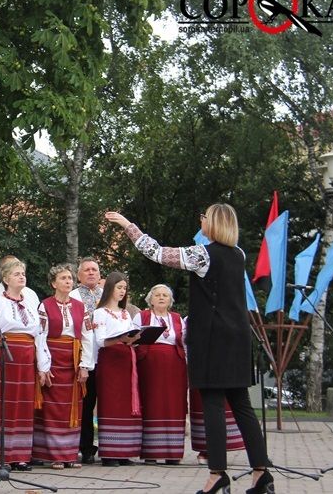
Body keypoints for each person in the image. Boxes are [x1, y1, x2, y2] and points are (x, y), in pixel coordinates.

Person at [106, 205, 273, 494]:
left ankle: (217, 474)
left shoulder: (202, 254)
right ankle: (261, 473)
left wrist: (126, 224)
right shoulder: (240, 254)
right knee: (242, 405)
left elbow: (155, 252)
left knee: (212, 403)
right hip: (238, 336)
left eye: (204, 217)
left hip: (213, 338)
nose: (201, 220)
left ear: (215, 223)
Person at [0, 258, 48, 471]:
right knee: (4, 405)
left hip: (26, 357)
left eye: (23, 273)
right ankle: (1, 455)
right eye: (16, 273)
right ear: (6, 278)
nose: (21, 276)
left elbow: (41, 335)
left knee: (24, 405)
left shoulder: (31, 302)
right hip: (4, 355)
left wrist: (43, 366)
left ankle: (21, 455)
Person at [33, 263, 95, 470]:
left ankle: (69, 455)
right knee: (53, 409)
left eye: (70, 278)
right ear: (53, 283)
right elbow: (40, 337)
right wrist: (43, 366)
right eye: (63, 278)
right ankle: (54, 456)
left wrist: (85, 365)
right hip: (52, 358)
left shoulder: (80, 307)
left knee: (73, 407)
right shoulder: (45, 306)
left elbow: (87, 336)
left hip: (73, 361)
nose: (68, 281)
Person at [91, 272, 142, 466]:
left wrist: (134, 338)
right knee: (111, 403)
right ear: (110, 288)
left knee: (125, 405)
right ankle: (109, 453)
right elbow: (100, 340)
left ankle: (124, 451)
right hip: (110, 362)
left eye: (124, 288)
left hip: (126, 360)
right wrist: (120, 339)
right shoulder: (100, 313)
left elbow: (128, 335)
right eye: (119, 287)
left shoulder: (126, 313)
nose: (122, 291)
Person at [134, 284, 187, 464]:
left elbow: (185, 342)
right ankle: (151, 452)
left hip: (174, 367)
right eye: (157, 295)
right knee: (152, 404)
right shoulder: (141, 316)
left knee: (174, 405)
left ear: (170, 300)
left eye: (165, 295)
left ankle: (173, 453)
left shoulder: (178, 318)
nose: (162, 298)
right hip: (150, 366)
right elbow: (133, 339)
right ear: (151, 299)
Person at [69, 257, 102, 464]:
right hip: (84, 356)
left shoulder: (106, 294)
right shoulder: (73, 296)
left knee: (106, 403)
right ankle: (85, 447)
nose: (91, 273)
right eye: (87, 270)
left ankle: (111, 447)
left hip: (106, 356)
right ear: (79, 275)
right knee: (85, 403)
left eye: (94, 270)